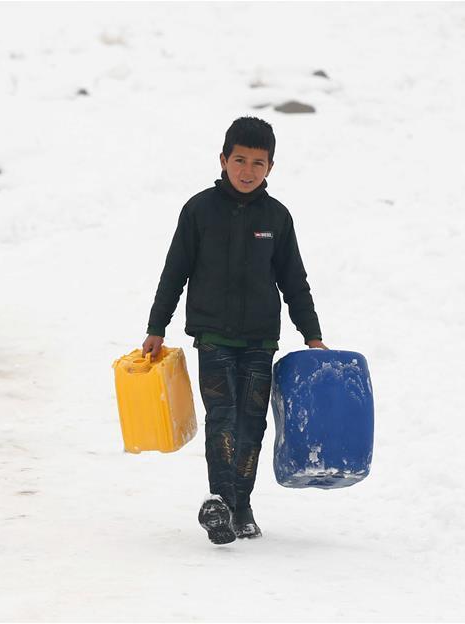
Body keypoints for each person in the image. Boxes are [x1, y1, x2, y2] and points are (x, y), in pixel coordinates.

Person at [142, 116, 327, 545]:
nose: (247, 171)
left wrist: (312, 335)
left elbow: (294, 282)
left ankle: (241, 505)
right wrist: (157, 325)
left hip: (260, 340)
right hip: (213, 336)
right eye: (239, 160)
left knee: (251, 425)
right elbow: (175, 272)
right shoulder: (199, 210)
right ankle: (221, 503)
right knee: (222, 419)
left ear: (270, 168)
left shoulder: (277, 218)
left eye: (257, 163)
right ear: (223, 160)